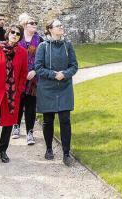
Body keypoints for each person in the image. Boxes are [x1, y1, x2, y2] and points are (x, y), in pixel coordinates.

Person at [34, 19, 78, 166]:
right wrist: (54, 74)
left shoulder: (68, 45)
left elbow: (74, 65)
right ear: (50, 29)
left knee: (65, 120)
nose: (61, 28)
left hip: (64, 87)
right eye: (58, 26)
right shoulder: (42, 46)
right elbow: (38, 67)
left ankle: (66, 153)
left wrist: (65, 74)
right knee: (48, 120)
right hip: (47, 87)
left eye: (61, 25)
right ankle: (49, 149)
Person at [0, 24, 28, 166]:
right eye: (12, 32)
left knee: (8, 124)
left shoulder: (22, 52)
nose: (14, 35)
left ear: (20, 37)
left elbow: (23, 73)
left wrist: (19, 90)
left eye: (18, 34)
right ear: (8, 33)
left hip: (12, 95)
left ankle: (3, 150)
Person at [12, 13, 40, 145]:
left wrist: (35, 70)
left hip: (34, 78)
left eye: (35, 23)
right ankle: (16, 126)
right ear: (25, 25)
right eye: (32, 23)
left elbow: (43, 59)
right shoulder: (18, 38)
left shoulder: (40, 40)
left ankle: (30, 131)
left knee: (31, 105)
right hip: (19, 77)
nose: (34, 25)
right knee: (18, 102)